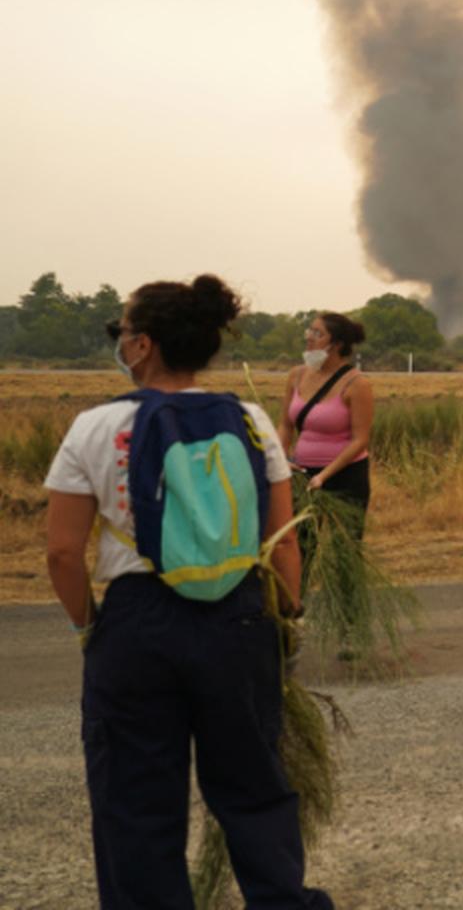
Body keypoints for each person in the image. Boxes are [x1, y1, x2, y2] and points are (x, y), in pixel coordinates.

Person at [44, 275, 332, 908]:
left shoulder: (95, 429)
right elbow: (285, 541)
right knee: (255, 790)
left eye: (120, 332)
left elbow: (63, 553)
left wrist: (89, 627)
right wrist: (285, 623)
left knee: (135, 802)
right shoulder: (252, 421)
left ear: (142, 345)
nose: (118, 343)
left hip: (136, 625)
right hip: (240, 619)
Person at [279, 312, 374, 533]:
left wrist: (324, 475)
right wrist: (280, 459)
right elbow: (285, 424)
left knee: (344, 547)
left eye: (318, 333)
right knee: (302, 546)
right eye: (309, 331)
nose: (309, 338)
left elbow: (360, 440)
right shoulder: (296, 375)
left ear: (337, 344)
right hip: (303, 474)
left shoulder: (357, 384)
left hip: (345, 476)